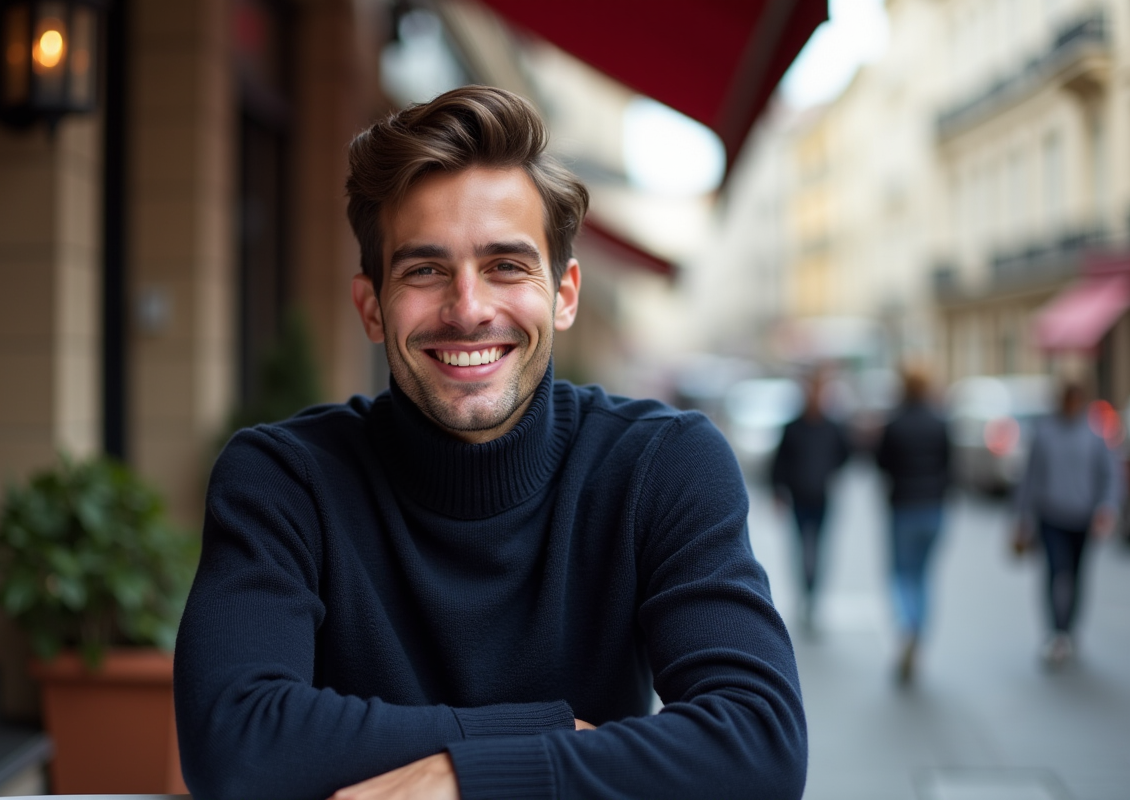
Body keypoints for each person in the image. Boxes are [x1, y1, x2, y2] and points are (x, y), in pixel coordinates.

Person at [173, 86, 806, 800]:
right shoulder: (284, 479)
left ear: (564, 294)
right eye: (424, 270)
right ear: (371, 306)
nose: (468, 309)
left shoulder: (661, 465)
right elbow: (234, 743)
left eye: (506, 265)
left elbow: (759, 746)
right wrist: (551, 735)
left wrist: (462, 777)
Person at [1014, 381, 1122, 668]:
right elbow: (1031, 477)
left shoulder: (1094, 435)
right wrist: (1021, 516)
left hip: (1082, 518)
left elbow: (1109, 475)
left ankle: (1069, 630)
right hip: (1051, 516)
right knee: (1054, 571)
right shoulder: (1045, 433)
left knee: (1076, 575)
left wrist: (1107, 508)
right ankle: (1055, 631)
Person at [874, 368, 951, 685]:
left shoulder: (895, 424)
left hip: (903, 506)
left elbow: (881, 463)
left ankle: (906, 623)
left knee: (900, 573)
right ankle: (917, 629)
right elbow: (950, 465)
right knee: (922, 575)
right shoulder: (939, 423)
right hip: (933, 507)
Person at [770, 371, 850, 631]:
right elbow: (779, 462)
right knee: (801, 549)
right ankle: (805, 595)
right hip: (799, 497)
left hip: (822, 497)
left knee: (819, 549)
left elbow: (844, 454)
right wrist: (778, 491)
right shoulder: (793, 427)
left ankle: (813, 597)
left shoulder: (832, 426)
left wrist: (829, 472)